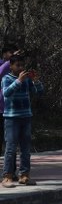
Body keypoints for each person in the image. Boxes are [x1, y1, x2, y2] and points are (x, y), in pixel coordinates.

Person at [2, 54, 44, 187]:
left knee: (26, 149)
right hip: (12, 118)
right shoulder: (6, 78)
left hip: (26, 117)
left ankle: (24, 175)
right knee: (10, 148)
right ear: (11, 66)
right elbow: (6, 93)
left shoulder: (26, 80)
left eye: (22, 65)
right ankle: (7, 176)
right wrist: (18, 81)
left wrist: (36, 81)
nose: (20, 68)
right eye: (17, 65)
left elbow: (39, 92)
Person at [0, 45, 20, 179]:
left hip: (10, 111)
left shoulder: (15, 69)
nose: (12, 54)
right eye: (10, 53)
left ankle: (11, 172)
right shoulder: (4, 66)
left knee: (11, 143)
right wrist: (9, 62)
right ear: (4, 54)